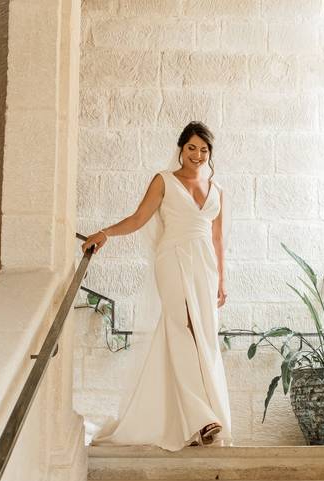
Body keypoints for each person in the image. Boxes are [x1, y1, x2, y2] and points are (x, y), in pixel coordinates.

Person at [80, 121, 232, 450]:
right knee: (181, 326)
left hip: (204, 265)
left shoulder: (217, 189)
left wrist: (221, 279)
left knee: (202, 335)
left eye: (203, 149)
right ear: (181, 148)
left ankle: (182, 423)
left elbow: (218, 238)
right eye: (191, 147)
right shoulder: (164, 181)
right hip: (173, 257)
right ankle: (202, 417)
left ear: (210, 153)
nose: (197, 154)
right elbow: (138, 218)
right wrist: (105, 233)